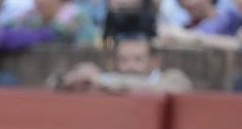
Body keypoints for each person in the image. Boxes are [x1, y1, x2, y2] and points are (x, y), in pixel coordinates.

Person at [55, 32, 194, 91]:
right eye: (124, 60)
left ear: (154, 62)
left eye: (138, 59)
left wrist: (104, 82)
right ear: (114, 62)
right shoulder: (104, 79)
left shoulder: (173, 78)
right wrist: (72, 79)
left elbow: (164, 89)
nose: (130, 66)